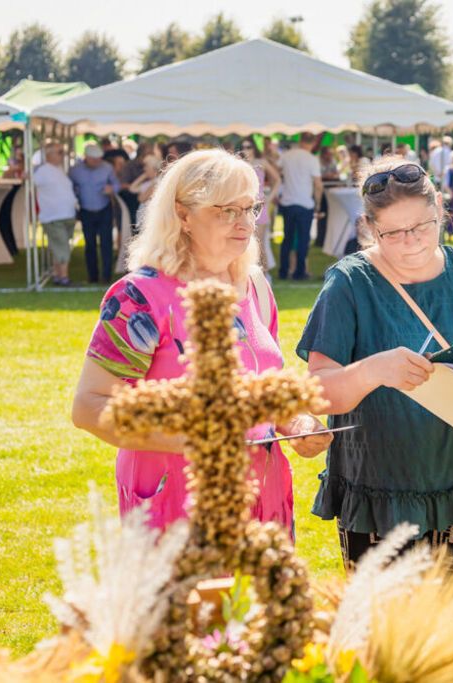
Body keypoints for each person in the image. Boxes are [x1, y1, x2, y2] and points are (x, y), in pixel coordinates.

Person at [71, 149, 332, 533]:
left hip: (261, 499)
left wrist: (295, 421)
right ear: (182, 214)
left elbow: (259, 385)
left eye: (250, 209)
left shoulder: (255, 286)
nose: (245, 223)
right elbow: (89, 406)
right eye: (227, 210)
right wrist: (193, 442)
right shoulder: (139, 297)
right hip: (176, 505)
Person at [296, 157, 453, 574]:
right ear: (368, 225)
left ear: (439, 204)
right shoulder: (350, 282)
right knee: (383, 636)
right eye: (394, 233)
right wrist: (372, 371)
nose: (413, 241)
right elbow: (318, 392)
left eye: (423, 226)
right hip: (377, 495)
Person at [70, 143, 120, 283]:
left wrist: (112, 189)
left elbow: (116, 184)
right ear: (87, 158)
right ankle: (92, 276)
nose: (98, 162)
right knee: (90, 244)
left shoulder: (107, 168)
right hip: (86, 210)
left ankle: (106, 276)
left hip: (104, 209)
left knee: (106, 243)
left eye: (99, 159)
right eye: (95, 159)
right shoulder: (75, 170)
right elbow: (70, 187)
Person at [277, 132, 323, 281]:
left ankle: (283, 271)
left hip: (288, 201)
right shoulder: (312, 159)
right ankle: (299, 272)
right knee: (303, 240)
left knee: (287, 239)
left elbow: (276, 173)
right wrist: (318, 203)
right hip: (305, 203)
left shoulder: (287, 155)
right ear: (313, 142)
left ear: (300, 140)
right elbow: (318, 184)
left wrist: (278, 192)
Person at [34, 143, 79, 286]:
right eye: (59, 152)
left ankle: (58, 275)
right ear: (49, 155)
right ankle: (64, 277)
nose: (63, 154)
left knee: (59, 245)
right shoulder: (42, 171)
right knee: (62, 246)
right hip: (53, 216)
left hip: (64, 214)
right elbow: (30, 181)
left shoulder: (58, 169)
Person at [240, 138, 282, 275]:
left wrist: (270, 196)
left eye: (249, 146)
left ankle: (264, 272)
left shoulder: (261, 162)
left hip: (259, 206)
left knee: (260, 241)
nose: (246, 149)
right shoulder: (239, 164)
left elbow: (277, 179)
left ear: (254, 148)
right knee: (245, 240)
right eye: (243, 147)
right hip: (243, 206)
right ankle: (248, 271)